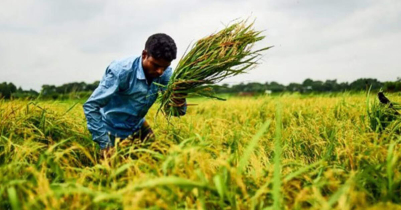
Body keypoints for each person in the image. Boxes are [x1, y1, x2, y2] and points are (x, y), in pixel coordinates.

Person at [83, 33, 187, 157]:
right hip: (112, 129)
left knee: (157, 158)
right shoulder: (121, 71)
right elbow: (91, 106)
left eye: (165, 67)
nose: (160, 71)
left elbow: (174, 112)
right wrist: (105, 145)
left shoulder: (165, 73)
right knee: (115, 172)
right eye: (156, 65)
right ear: (144, 55)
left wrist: (179, 99)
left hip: (138, 125)